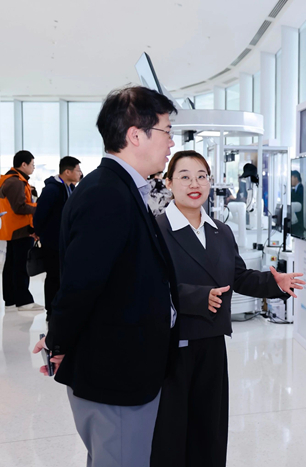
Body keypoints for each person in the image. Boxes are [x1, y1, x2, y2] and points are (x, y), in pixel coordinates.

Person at [32, 86, 180, 467]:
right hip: (116, 377)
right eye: (166, 131)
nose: (171, 142)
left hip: (124, 370)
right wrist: (58, 340)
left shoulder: (121, 188)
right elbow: (80, 284)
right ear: (136, 135)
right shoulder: (107, 194)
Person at [150, 150, 305, 467]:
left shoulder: (221, 231)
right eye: (185, 177)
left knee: (210, 429)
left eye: (202, 176)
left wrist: (274, 283)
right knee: (171, 434)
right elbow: (148, 287)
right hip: (171, 347)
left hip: (212, 342)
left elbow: (238, 276)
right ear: (168, 183)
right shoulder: (155, 230)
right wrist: (196, 297)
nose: (195, 184)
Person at [33, 156, 82, 321]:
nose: (80, 173)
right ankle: (51, 311)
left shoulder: (71, 188)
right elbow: (40, 215)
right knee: (53, 276)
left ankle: (63, 308)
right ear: (67, 172)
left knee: (64, 275)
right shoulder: (52, 190)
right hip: (53, 242)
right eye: (78, 170)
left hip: (67, 241)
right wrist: (41, 233)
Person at [0, 150, 42, 311]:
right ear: (23, 164)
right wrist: (38, 207)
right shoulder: (16, 182)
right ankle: (24, 301)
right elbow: (19, 207)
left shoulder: (12, 179)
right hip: (20, 229)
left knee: (12, 265)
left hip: (13, 228)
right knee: (20, 266)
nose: (33, 167)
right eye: (32, 164)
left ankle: (11, 299)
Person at [290, 169, 305, 238]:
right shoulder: (294, 189)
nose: (290, 180)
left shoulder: (301, 188)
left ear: (295, 178)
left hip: (300, 221)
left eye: (291, 178)